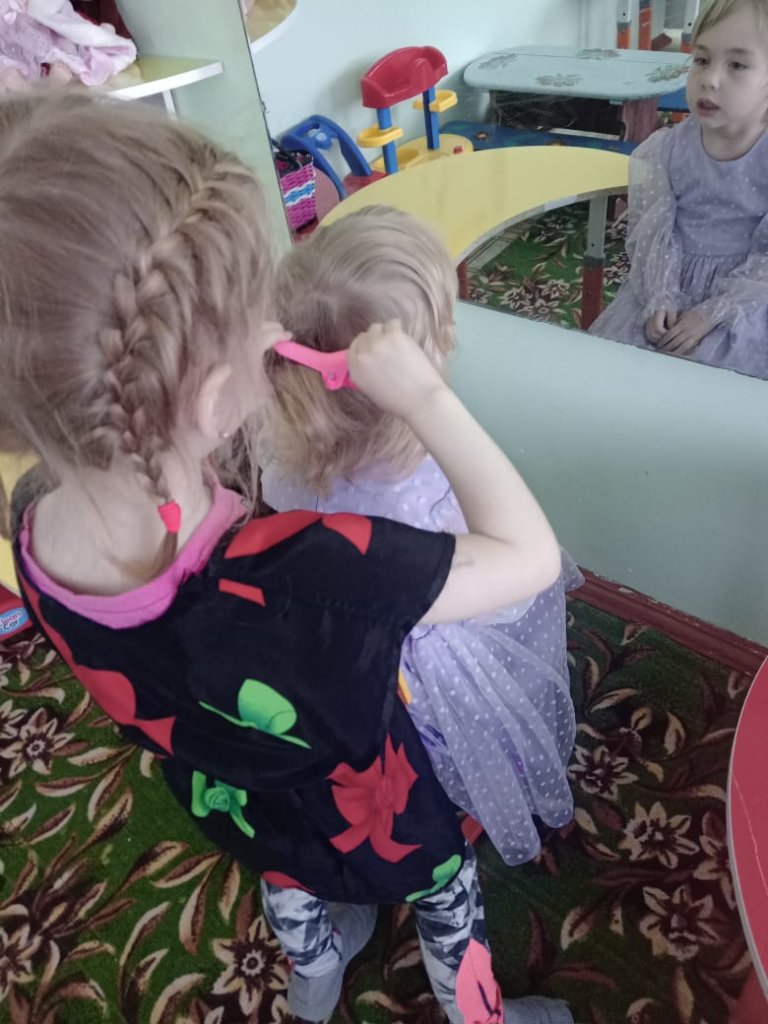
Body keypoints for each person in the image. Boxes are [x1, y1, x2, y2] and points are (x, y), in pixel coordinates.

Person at [0, 92, 573, 1024]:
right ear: (213, 393)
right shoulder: (316, 574)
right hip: (383, 813)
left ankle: (313, 971)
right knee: (445, 896)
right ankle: (481, 1015)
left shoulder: (31, 530)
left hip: (237, 799)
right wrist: (425, 396)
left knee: (287, 873)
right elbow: (528, 554)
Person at [259, 205, 579, 869]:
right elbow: (527, 554)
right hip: (438, 653)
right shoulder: (427, 465)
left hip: (342, 657)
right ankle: (474, 794)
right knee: (472, 732)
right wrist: (433, 406)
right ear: (421, 362)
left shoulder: (280, 443)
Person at [589, 0, 768, 378]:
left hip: (746, 298)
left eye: (737, 65)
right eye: (701, 59)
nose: (710, 79)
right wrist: (660, 294)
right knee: (615, 370)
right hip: (666, 283)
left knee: (715, 383)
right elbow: (653, 230)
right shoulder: (667, 149)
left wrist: (714, 312)